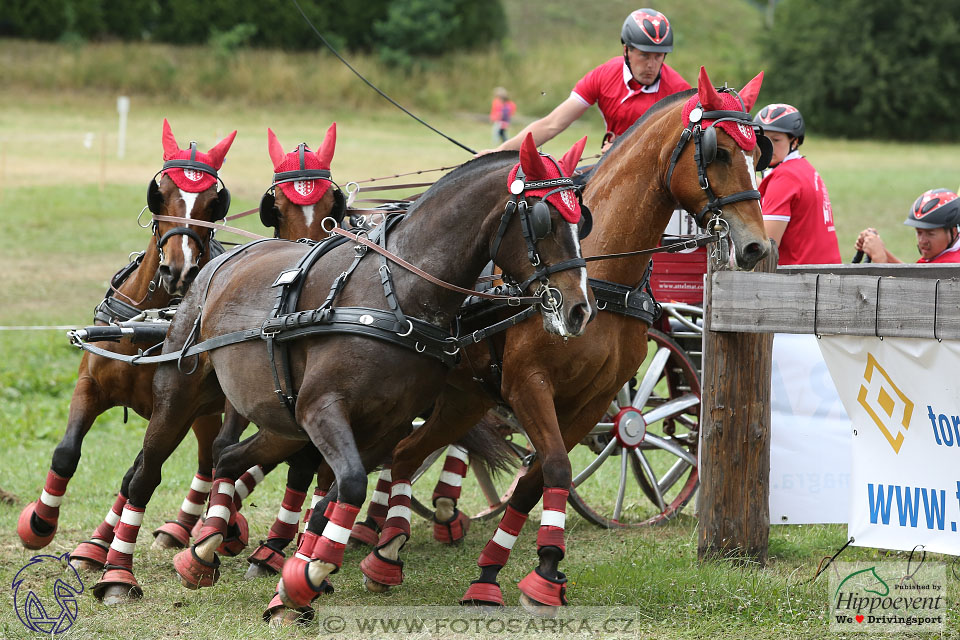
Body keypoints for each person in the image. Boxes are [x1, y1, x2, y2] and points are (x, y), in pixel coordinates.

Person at [484, 8, 690, 154]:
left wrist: (625, 150)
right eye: (644, 55)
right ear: (626, 50)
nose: (652, 65)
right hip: (617, 166)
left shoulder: (679, 92)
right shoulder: (603, 76)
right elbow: (552, 124)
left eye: (659, 56)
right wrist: (498, 152)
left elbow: (683, 150)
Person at [753, 103, 841, 265]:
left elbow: (764, 248)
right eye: (763, 140)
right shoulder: (803, 169)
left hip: (800, 278)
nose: (768, 148)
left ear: (794, 141)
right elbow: (769, 187)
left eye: (776, 140)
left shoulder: (784, 178)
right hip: (825, 272)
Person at [855, 189, 960, 263]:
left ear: (954, 232)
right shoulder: (946, 253)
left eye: (930, 233)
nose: (922, 241)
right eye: (919, 232)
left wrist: (880, 259)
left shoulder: (953, 265)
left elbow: (909, 292)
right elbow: (912, 276)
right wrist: (879, 249)